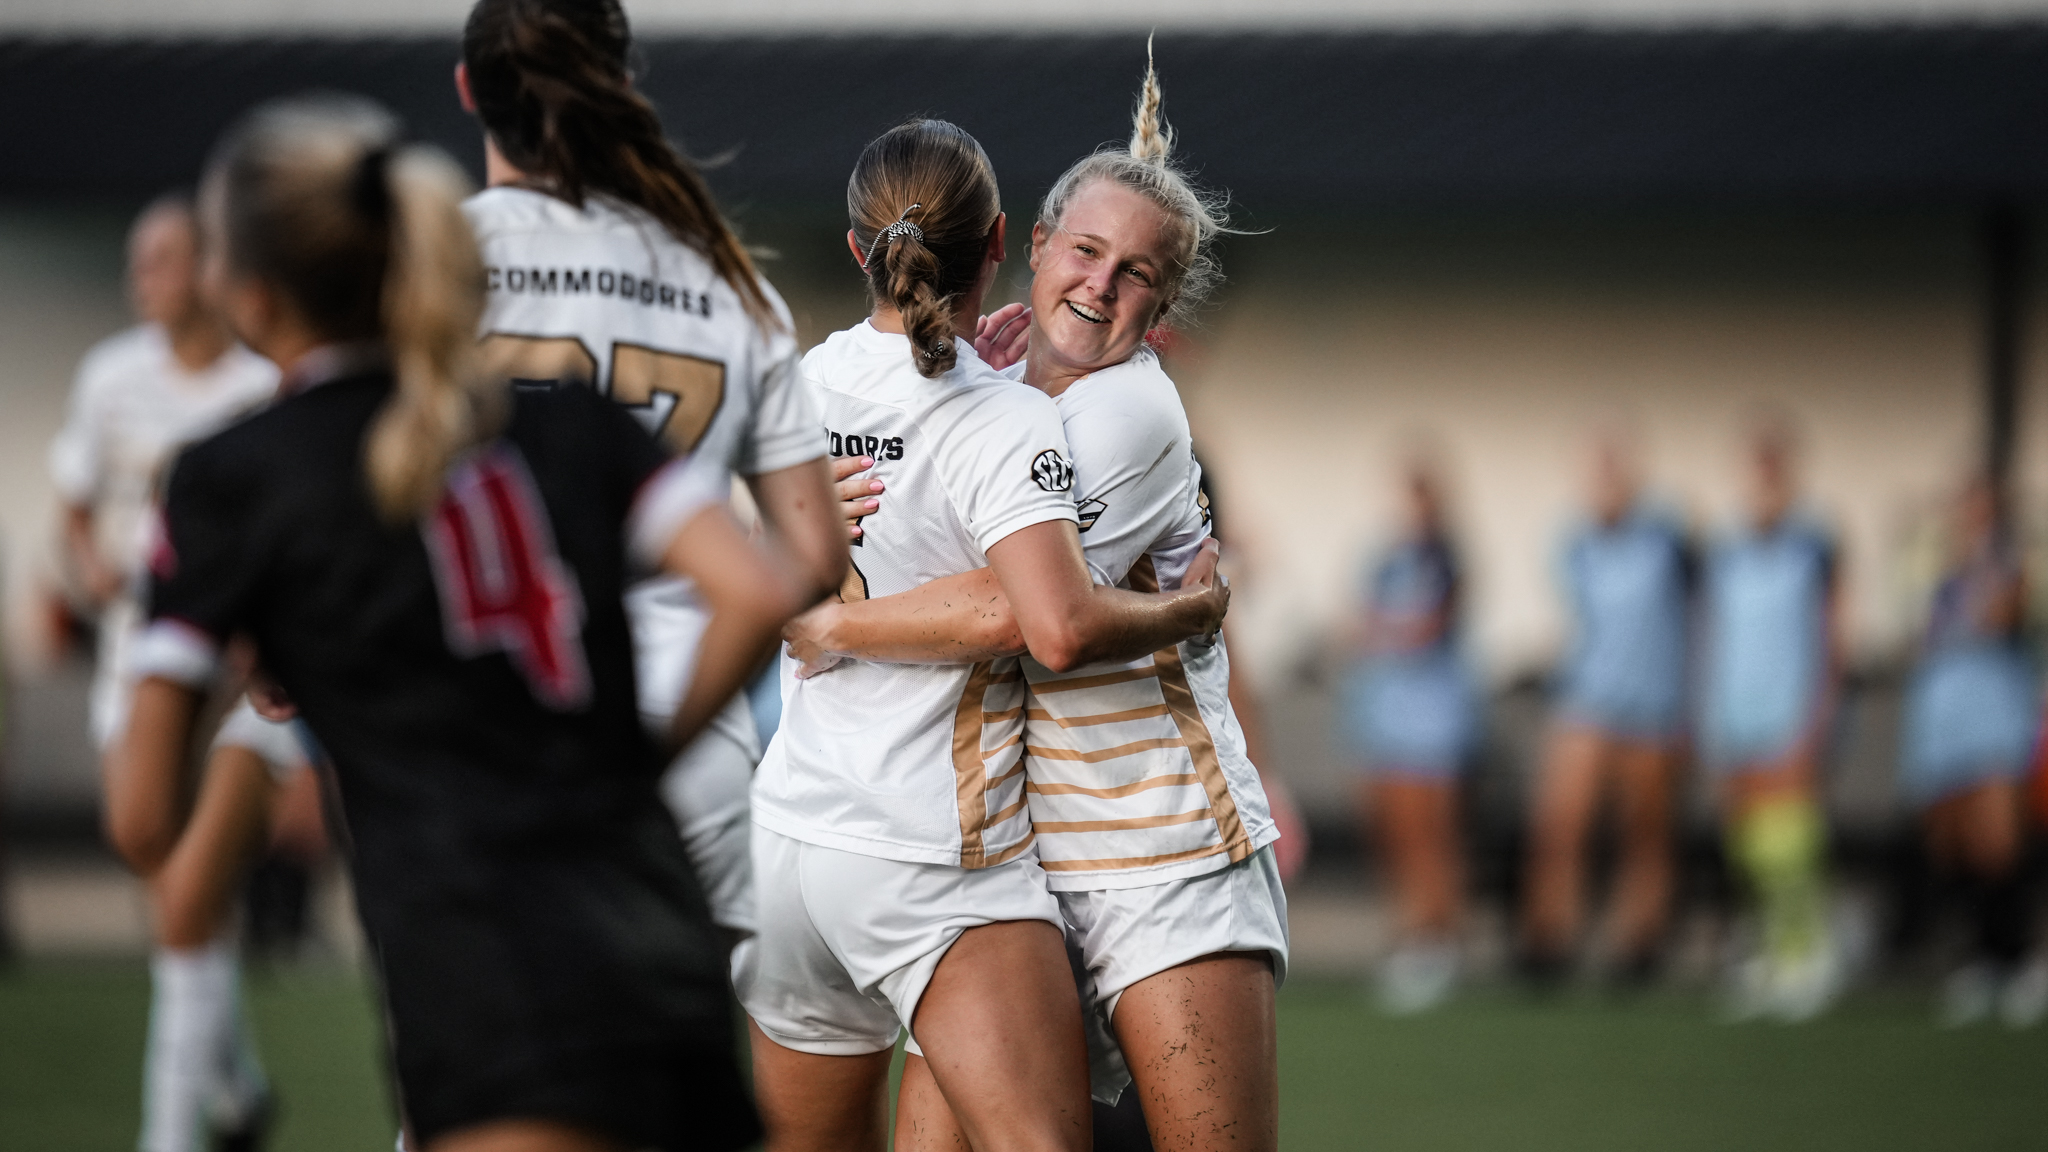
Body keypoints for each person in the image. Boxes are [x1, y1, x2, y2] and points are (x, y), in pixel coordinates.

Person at [104, 95, 806, 1152]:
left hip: (486, 958)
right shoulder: (566, 418)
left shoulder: (240, 474)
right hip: (652, 931)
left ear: (250, 293)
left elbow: (142, 818)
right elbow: (755, 588)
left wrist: (264, 653)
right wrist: (627, 762)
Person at [783, 57, 1285, 1152]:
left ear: (1165, 305)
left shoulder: (1130, 414)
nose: (1101, 287)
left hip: (1156, 848)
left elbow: (1025, 611)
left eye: (1138, 274)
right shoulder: (991, 388)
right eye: (1087, 252)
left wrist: (828, 620)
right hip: (1012, 859)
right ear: (1034, 244)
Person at [455, 0, 842, 945]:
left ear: (468, 89)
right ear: (621, 89)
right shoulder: (727, 280)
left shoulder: (430, 260)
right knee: (678, 1038)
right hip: (690, 744)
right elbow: (814, 554)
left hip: (478, 741)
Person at [49, 193, 285, 1152]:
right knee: (157, 860)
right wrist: (92, 568)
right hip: (142, 662)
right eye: (137, 262)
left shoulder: (261, 385)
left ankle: (173, 1133)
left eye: (161, 259)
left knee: (187, 893)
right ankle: (237, 1086)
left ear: (210, 268)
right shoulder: (111, 377)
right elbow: (74, 505)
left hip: (242, 678)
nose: (141, 279)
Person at [1519, 434, 1691, 984]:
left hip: (1653, 708)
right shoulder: (1575, 543)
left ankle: (1641, 942)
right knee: (1560, 825)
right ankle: (1550, 939)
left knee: (1645, 834)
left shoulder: (1668, 538)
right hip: (1588, 701)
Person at [1699, 424, 1843, 1020]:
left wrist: (1817, 717)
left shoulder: (1814, 546)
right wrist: (1711, 715)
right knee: (1747, 842)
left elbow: (1832, 638)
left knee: (1789, 841)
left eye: (1771, 470)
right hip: (1737, 709)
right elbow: (1716, 633)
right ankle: (1764, 948)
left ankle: (1807, 950)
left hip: (1791, 709)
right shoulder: (1725, 548)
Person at [1902, 476, 2045, 1027]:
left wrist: (1982, 562)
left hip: (1993, 720)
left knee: (1998, 844)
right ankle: (1983, 959)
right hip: (1941, 722)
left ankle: (2019, 958)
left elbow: (2001, 615)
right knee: (1953, 846)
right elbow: (1914, 633)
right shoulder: (1936, 574)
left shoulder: (2009, 564)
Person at [1340, 459, 1477, 1014]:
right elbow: (1356, 625)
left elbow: (1425, 629)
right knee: (1396, 836)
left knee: (1432, 836)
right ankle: (1410, 934)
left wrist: (1383, 629)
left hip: (1434, 725)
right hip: (1387, 719)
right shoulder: (1385, 561)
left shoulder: (1447, 559)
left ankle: (1439, 938)